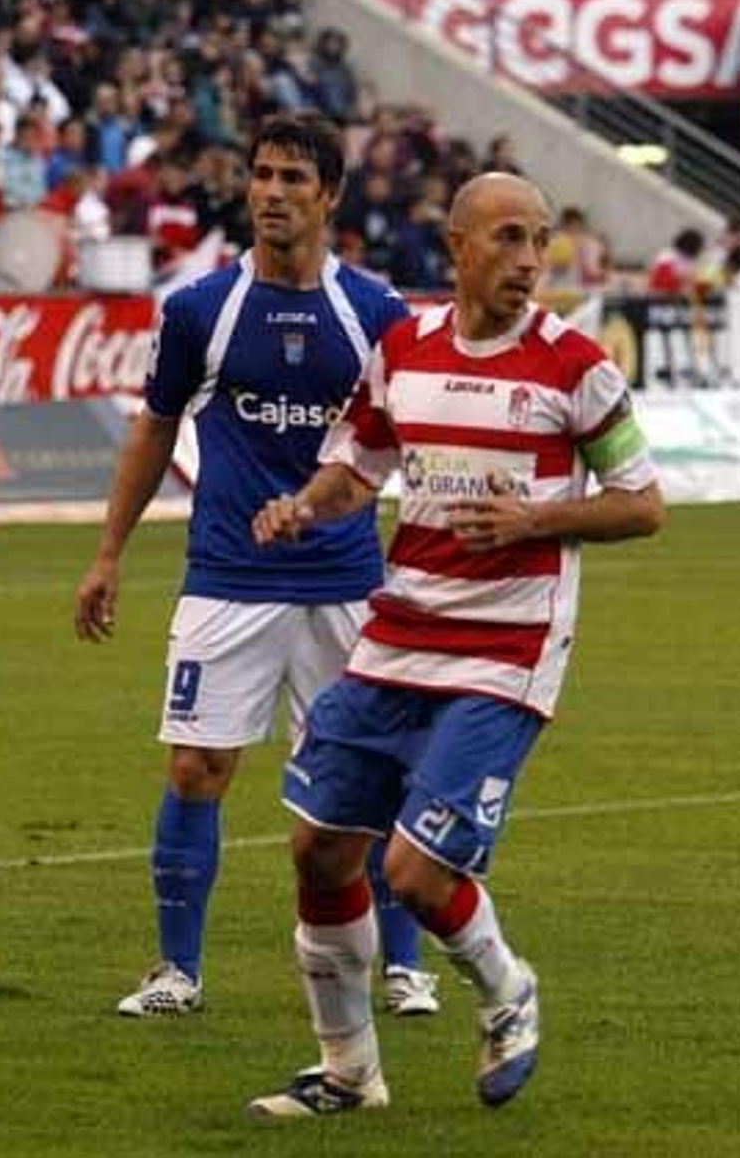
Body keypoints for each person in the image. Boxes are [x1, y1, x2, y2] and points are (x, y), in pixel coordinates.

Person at [244, 172, 666, 1120]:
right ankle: (349, 1072)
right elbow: (358, 466)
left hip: (505, 652)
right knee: (319, 850)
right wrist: (302, 507)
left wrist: (536, 518)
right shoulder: (404, 351)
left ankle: (506, 987)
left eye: (540, 239)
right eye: (509, 238)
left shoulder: (576, 367)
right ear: (456, 249)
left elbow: (643, 504)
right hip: (399, 637)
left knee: (414, 871)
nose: (529, 259)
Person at [73, 112, 437, 1020]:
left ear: (331, 197)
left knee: (372, 775)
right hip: (228, 575)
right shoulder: (200, 309)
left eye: (293, 179)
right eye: (262, 175)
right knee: (197, 766)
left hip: (346, 581)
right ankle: (177, 971)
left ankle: (405, 967)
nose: (272, 193)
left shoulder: (376, 315)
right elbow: (154, 427)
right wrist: (109, 552)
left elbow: (409, 440)